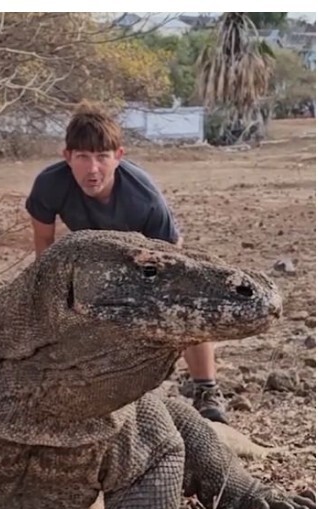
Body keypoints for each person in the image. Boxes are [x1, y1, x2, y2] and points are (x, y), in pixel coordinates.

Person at [24, 101, 227, 423]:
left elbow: (172, 257)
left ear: (118, 156)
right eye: (83, 157)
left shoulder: (143, 197)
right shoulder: (50, 184)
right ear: (67, 157)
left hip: (146, 257)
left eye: (102, 157)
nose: (93, 170)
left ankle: (207, 389)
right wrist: (46, 291)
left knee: (188, 305)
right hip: (92, 257)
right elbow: (44, 243)